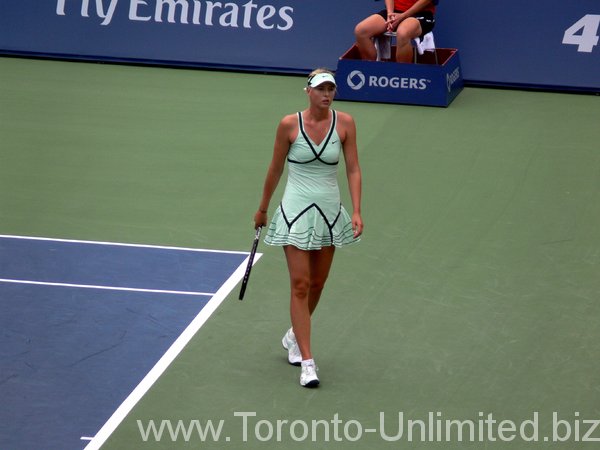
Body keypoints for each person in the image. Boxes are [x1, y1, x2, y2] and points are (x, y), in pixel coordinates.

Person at [253, 68, 363, 388]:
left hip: (329, 212)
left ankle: (292, 336)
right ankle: (308, 361)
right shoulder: (289, 125)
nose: (326, 94)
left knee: (317, 284)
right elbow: (275, 169)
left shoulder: (345, 124)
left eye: (331, 89)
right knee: (300, 285)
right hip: (295, 211)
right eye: (320, 89)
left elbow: (354, 169)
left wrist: (356, 210)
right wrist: (262, 208)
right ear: (308, 92)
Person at [354, 0, 436, 63]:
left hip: (421, 13)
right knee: (361, 31)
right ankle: (370, 72)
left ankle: (402, 75)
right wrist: (390, 14)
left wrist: (403, 16)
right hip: (395, 12)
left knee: (403, 32)